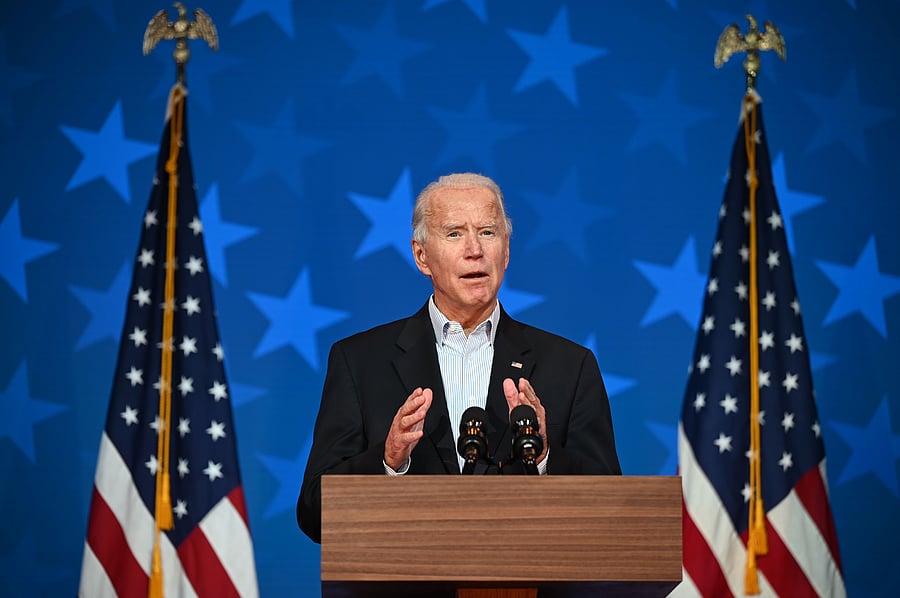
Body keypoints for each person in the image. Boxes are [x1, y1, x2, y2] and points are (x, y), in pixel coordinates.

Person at [297, 172, 621, 543]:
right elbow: (314, 512)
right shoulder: (359, 362)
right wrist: (387, 461)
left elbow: (611, 511)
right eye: (454, 233)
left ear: (507, 250)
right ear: (421, 256)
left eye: (488, 232)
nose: (475, 249)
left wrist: (546, 456)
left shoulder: (569, 366)